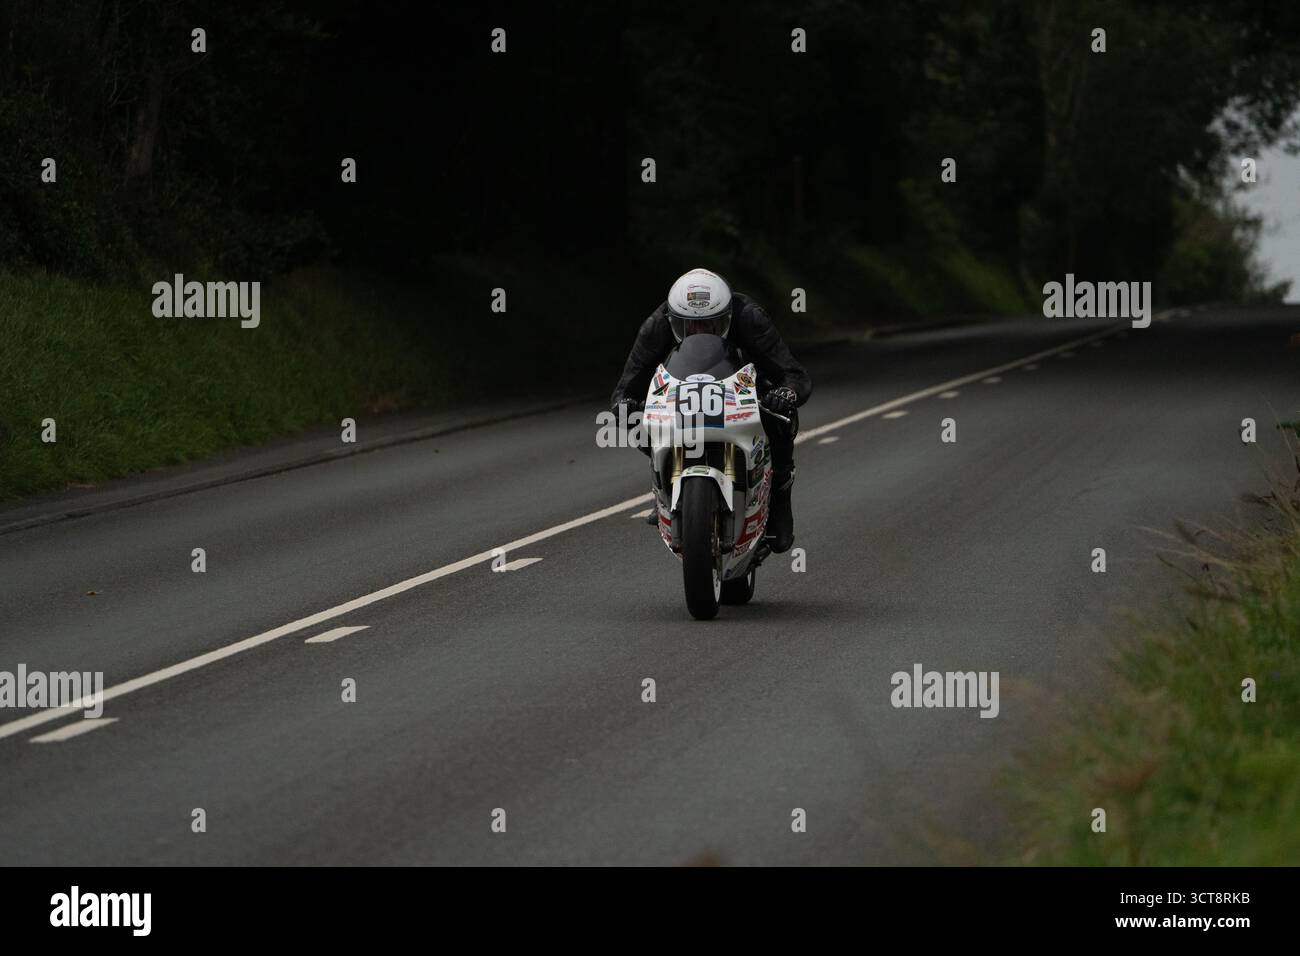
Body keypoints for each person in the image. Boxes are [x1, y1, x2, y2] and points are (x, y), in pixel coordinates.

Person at [610, 268, 812, 552]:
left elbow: (795, 375)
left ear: (728, 317)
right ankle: (664, 486)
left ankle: (779, 499)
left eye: (711, 325)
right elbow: (624, 389)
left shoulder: (750, 318)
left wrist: (784, 394)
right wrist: (627, 406)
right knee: (632, 416)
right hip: (678, 390)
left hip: (744, 385)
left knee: (782, 416)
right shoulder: (657, 326)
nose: (699, 332)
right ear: (674, 320)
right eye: (689, 326)